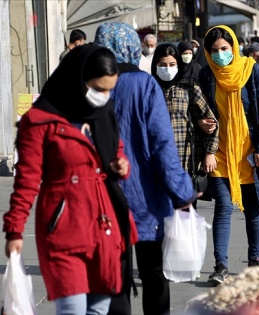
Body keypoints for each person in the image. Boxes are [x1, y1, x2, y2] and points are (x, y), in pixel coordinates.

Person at [4, 45, 132, 314]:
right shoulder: (39, 121)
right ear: (78, 79)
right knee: (72, 309)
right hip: (64, 229)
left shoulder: (103, 111)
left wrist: (121, 165)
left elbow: (114, 148)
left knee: (98, 310)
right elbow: (26, 180)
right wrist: (15, 229)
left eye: (110, 90)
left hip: (104, 227)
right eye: (98, 89)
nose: (104, 96)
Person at [95, 22, 198, 315]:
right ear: (132, 47)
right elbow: (162, 144)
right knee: (154, 274)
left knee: (115, 281)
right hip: (147, 198)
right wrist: (182, 192)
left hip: (105, 200)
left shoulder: (90, 88)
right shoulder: (144, 84)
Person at [197, 25, 259, 286]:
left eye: (225, 49)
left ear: (233, 47)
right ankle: (220, 266)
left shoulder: (251, 70)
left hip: (249, 152)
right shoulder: (206, 75)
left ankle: (254, 262)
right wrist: (202, 125)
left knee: (253, 210)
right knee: (223, 207)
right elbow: (198, 112)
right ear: (208, 53)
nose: (221, 54)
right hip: (219, 153)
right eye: (215, 51)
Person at [151, 42, 218, 196]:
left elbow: (210, 121)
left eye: (172, 64)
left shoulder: (188, 86)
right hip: (157, 161)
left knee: (186, 215)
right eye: (162, 64)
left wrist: (210, 152)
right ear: (155, 65)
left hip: (186, 163)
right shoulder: (149, 87)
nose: (167, 69)